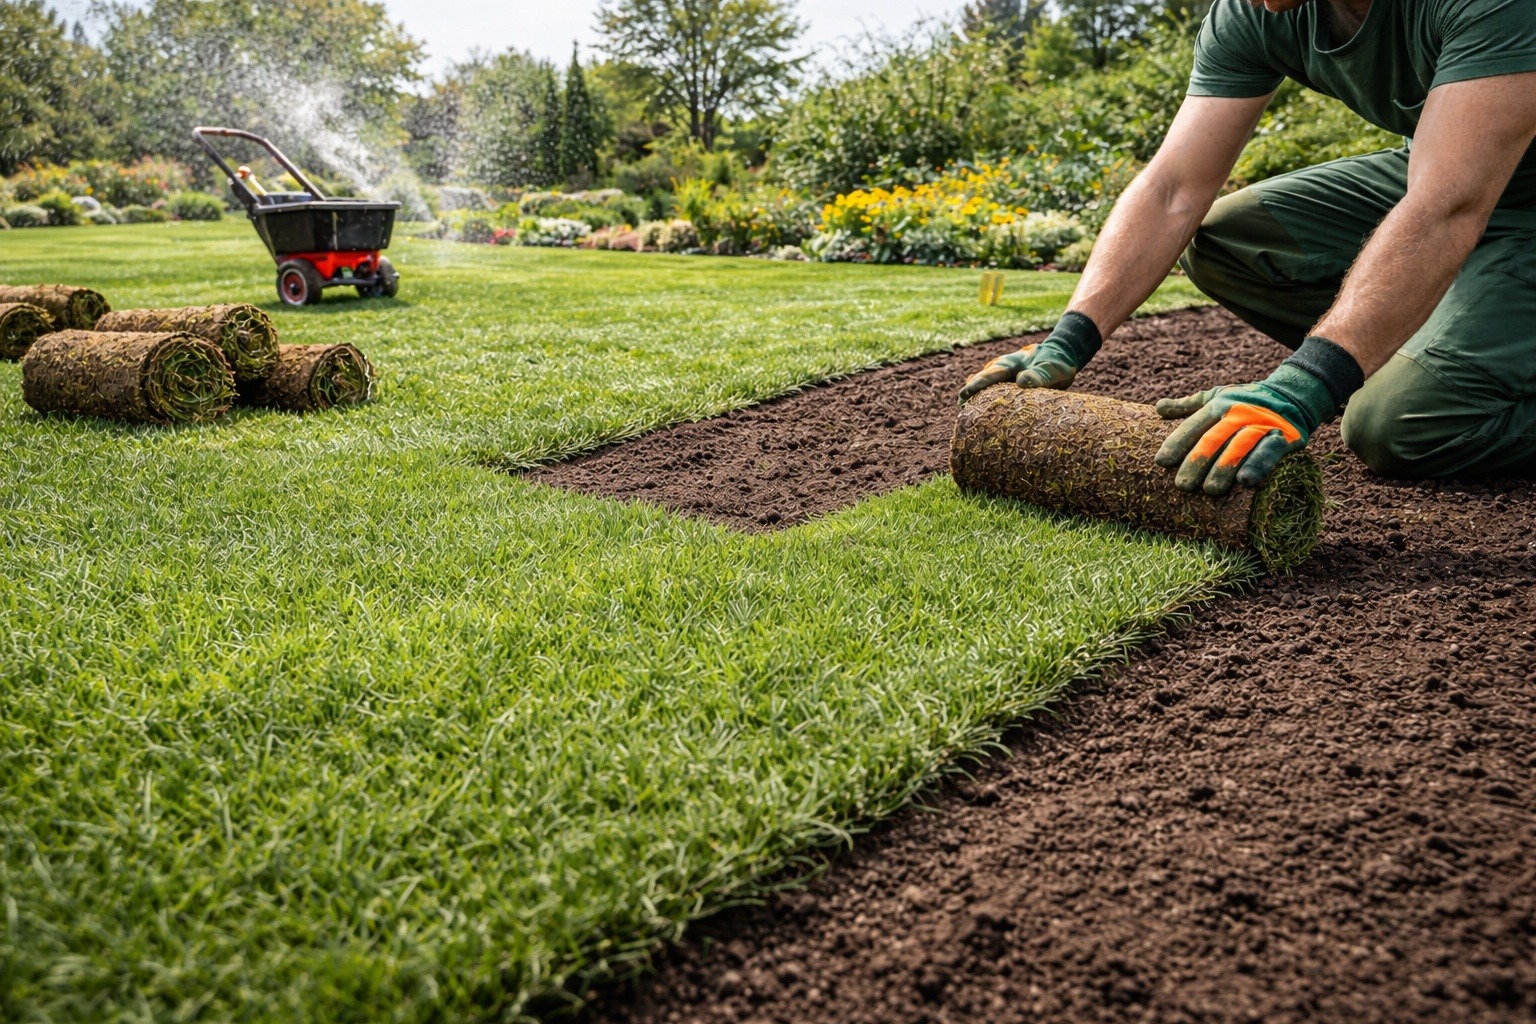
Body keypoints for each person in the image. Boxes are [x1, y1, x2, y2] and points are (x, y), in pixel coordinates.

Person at [959, 0, 1536, 495]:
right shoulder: (1257, 12)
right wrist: (1069, 338)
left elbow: (1449, 206)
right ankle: (1430, 350)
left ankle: (1424, 371)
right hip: (1441, 181)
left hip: (1492, 201)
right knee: (1227, 239)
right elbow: (1172, 190)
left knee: (1396, 424)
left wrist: (1305, 385)